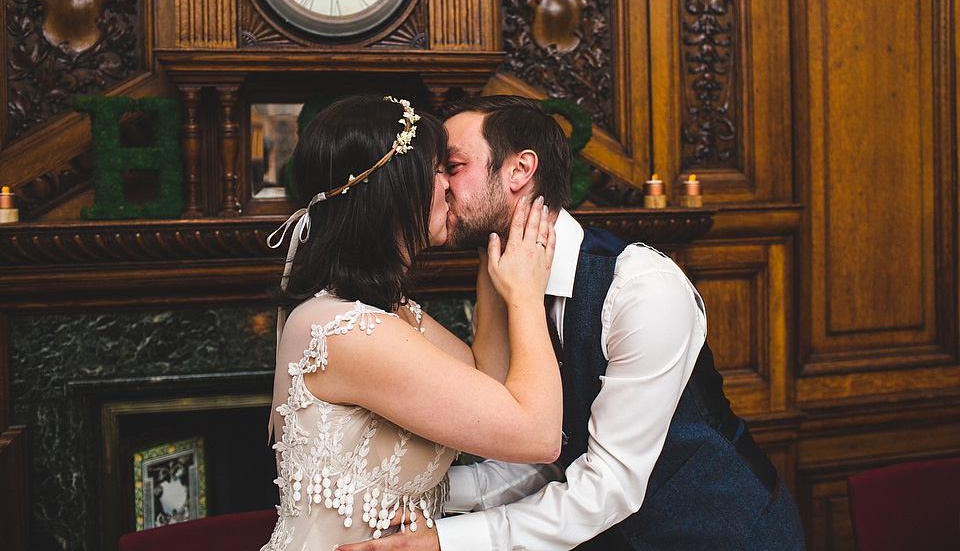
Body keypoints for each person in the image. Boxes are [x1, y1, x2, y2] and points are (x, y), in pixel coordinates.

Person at [338, 95, 806, 551]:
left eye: (453, 167)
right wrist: (414, 495)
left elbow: (609, 483)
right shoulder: (507, 280)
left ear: (519, 170)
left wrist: (445, 540)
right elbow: (554, 457)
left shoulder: (641, 289)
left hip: (730, 535)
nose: (437, 186)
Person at [261, 94, 563, 550]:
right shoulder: (346, 330)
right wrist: (524, 296)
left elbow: (488, 382)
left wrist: (491, 247)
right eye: (439, 170)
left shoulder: (391, 308)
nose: (449, 186)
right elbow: (536, 435)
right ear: (395, 190)